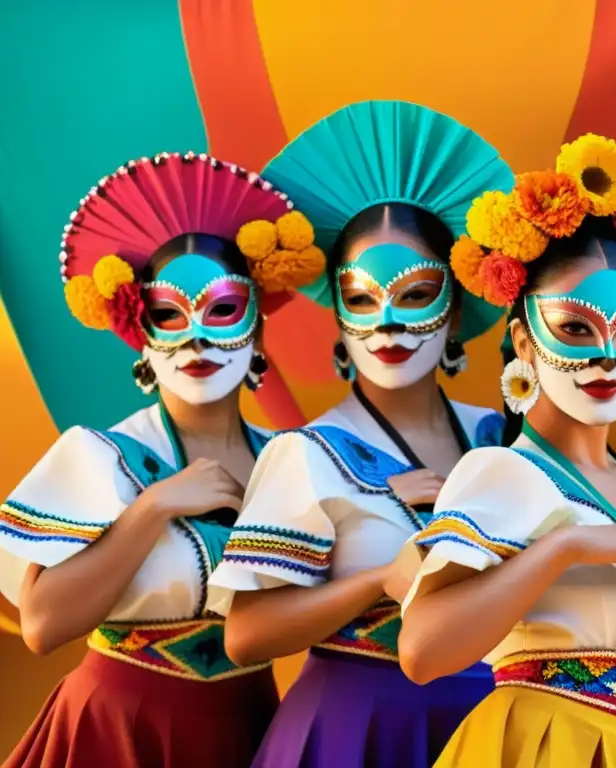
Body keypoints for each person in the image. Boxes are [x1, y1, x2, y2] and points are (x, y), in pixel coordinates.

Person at [396, 137, 616, 768]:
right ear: (524, 343)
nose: (608, 354)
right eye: (577, 328)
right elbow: (422, 653)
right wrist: (562, 549)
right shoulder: (504, 473)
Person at [0, 152, 325, 767]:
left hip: (249, 723)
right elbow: (42, 626)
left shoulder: (294, 461)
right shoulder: (101, 456)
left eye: (221, 310)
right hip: (117, 730)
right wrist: (153, 507)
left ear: (256, 328)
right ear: (141, 331)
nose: (196, 338)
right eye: (169, 314)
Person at [206, 100, 514, 768]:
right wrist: (381, 578)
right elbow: (246, 635)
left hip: (494, 728)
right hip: (356, 731)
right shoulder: (308, 454)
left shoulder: (503, 440)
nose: (387, 323)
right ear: (338, 314)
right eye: (363, 298)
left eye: (415, 295)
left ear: (456, 308)